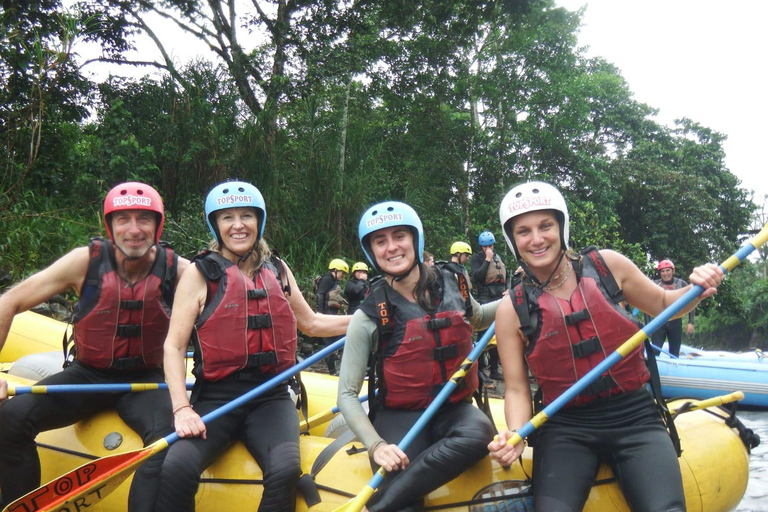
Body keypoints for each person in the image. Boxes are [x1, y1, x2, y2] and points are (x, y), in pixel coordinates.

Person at [487, 181, 723, 512]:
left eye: (546, 226)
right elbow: (514, 389)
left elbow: (665, 303)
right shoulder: (512, 309)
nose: (537, 239)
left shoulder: (606, 266)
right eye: (524, 231)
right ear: (513, 241)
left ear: (562, 227)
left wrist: (696, 287)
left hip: (634, 415)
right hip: (565, 426)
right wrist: (514, 433)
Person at [157, 181, 351, 512]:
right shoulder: (200, 274)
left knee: (286, 468)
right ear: (215, 225)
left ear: (258, 221)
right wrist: (182, 408)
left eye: (247, 215)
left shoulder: (276, 268)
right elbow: (174, 347)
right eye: (227, 217)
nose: (238, 225)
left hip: (272, 397)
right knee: (176, 466)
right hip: (217, 398)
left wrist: (366, 320)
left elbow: (312, 323)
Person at [0, 182, 190, 511]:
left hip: (148, 381)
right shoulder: (84, 262)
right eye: (123, 219)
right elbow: (11, 301)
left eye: (144, 219)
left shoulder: (181, 271)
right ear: (109, 225)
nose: (134, 229)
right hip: (87, 375)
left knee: (166, 441)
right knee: (11, 420)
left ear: (157, 226)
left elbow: (229, 312)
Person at [337, 201, 500, 512]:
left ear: (415, 239)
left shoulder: (454, 281)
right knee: (403, 491)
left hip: (453, 410)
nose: (392, 247)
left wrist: (520, 299)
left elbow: (478, 317)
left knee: (480, 435)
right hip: (399, 415)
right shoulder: (370, 313)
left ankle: (380, 506)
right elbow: (346, 394)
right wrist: (377, 446)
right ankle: (396, 500)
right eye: (380, 241)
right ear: (372, 251)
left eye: (399, 236)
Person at [469, 231, 508, 381]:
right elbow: (477, 277)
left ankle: (494, 370)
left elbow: (507, 276)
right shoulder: (477, 259)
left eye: (490, 245)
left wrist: (509, 289)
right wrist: (487, 260)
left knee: (498, 335)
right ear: (481, 247)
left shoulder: (499, 258)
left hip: (500, 296)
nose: (489, 248)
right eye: (485, 246)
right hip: (485, 298)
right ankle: (478, 371)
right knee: (483, 336)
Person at [648, 259, 695, 357]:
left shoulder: (681, 284)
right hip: (658, 322)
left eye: (668, 270)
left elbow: (692, 302)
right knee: (654, 353)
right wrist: (648, 325)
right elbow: (646, 304)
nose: (665, 274)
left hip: (675, 322)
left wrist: (691, 322)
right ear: (660, 273)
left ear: (673, 271)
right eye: (663, 271)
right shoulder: (654, 284)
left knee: (674, 353)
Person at [316, 258, 349, 375]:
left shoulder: (334, 281)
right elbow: (320, 294)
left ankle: (335, 368)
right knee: (330, 343)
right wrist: (320, 311)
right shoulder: (327, 279)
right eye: (342, 273)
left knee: (340, 339)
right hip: (326, 315)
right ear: (335, 270)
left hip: (332, 314)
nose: (343, 275)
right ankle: (332, 371)